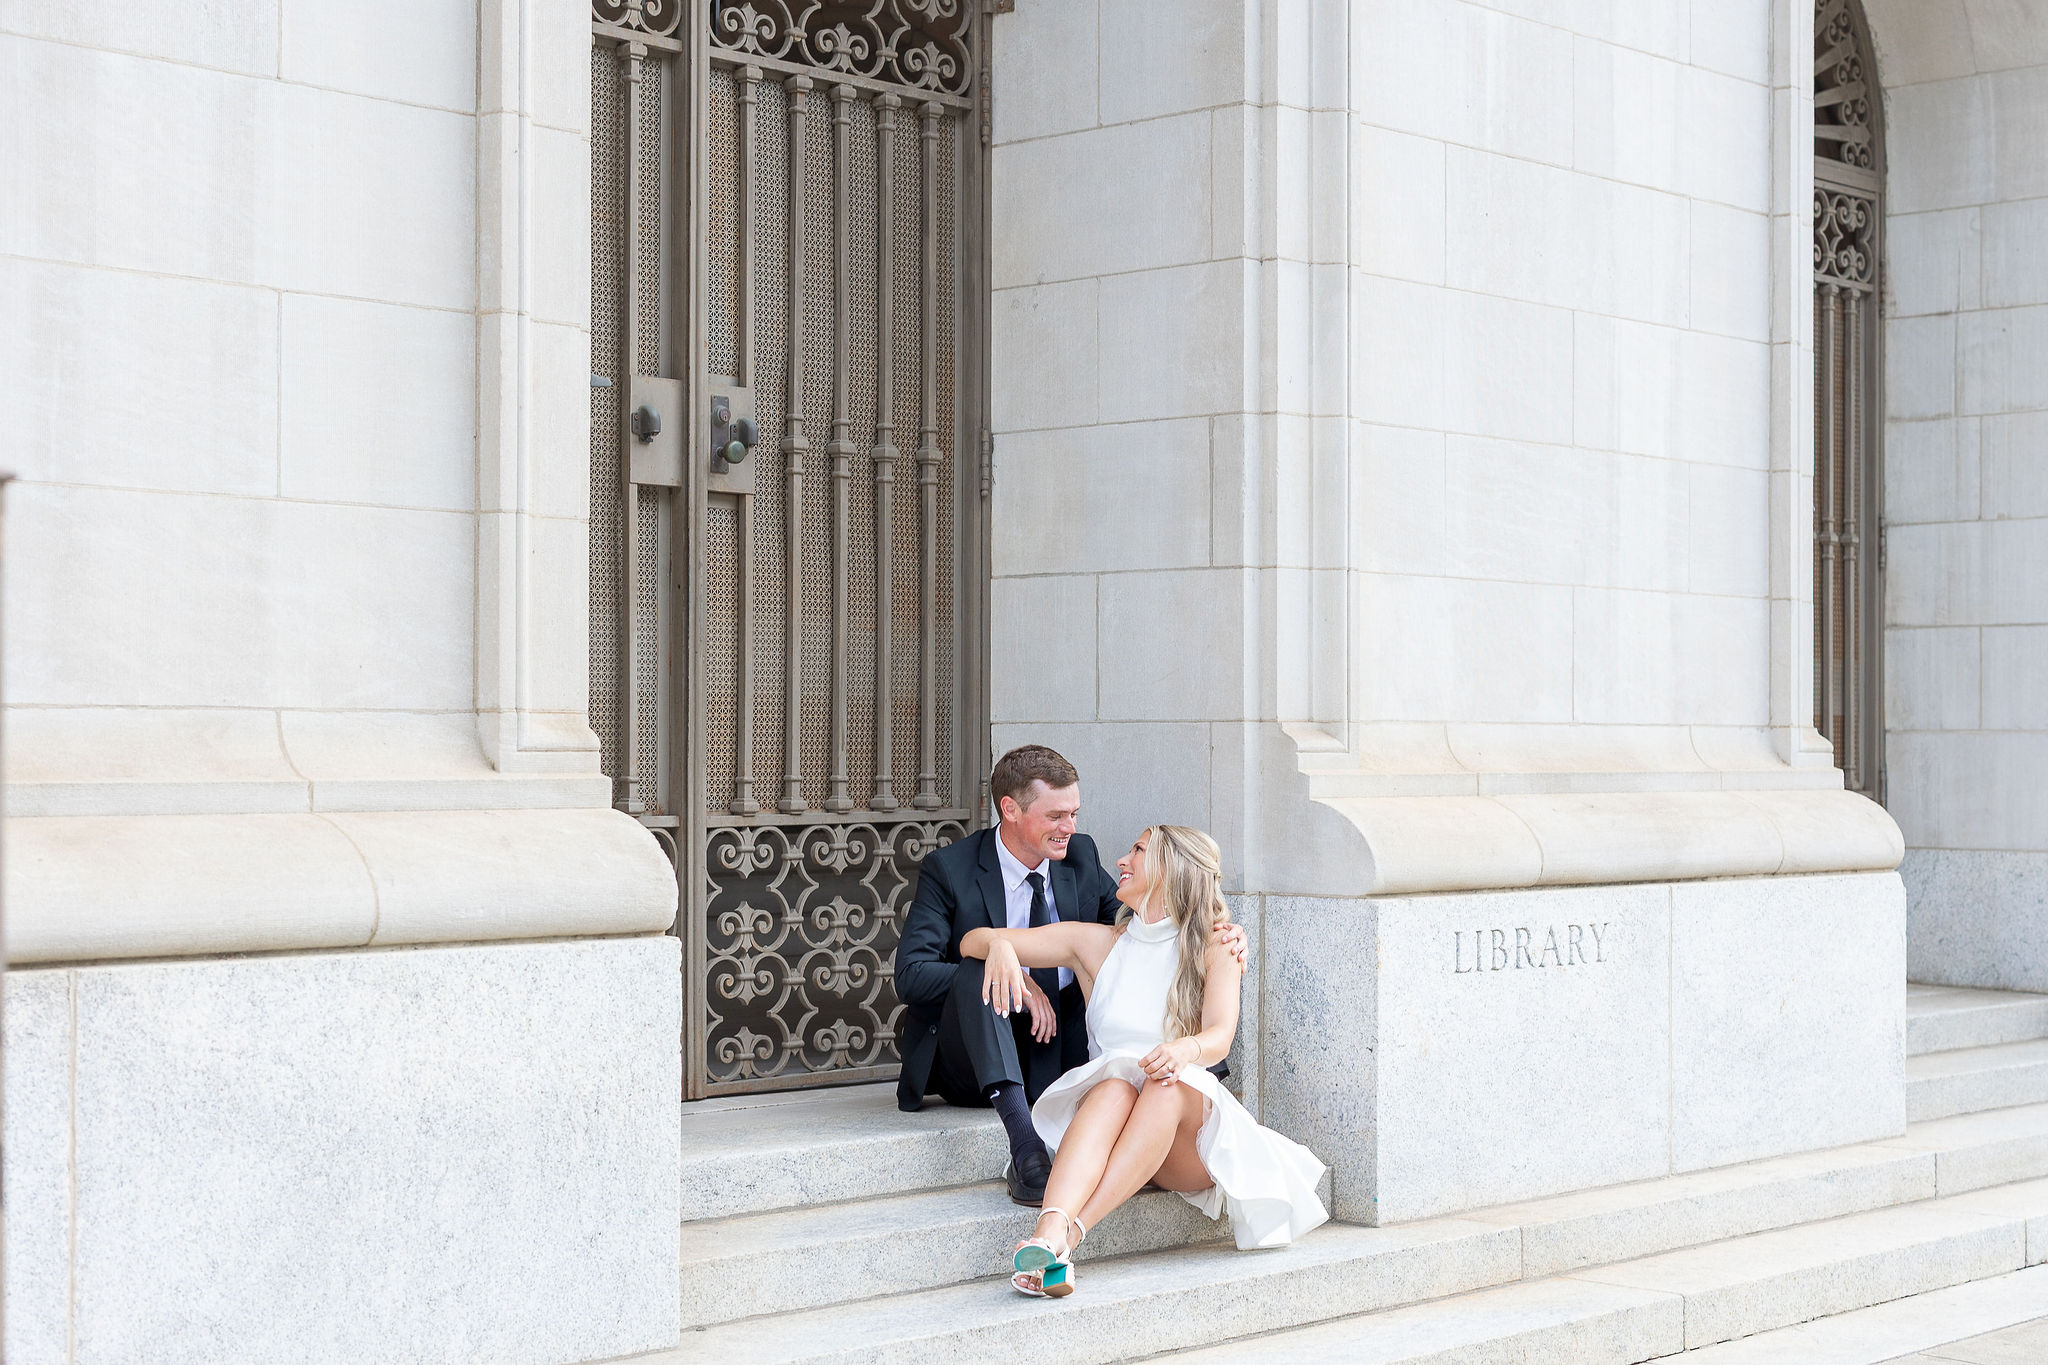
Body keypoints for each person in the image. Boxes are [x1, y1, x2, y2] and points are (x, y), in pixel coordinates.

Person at [961, 824, 1328, 1297]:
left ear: (1171, 868)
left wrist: (1183, 1049)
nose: (1121, 860)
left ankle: (1071, 1235)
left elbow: (1219, 1035)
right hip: (1117, 1124)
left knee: (1165, 1082)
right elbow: (972, 939)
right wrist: (1003, 948)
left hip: (1187, 1139)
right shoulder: (1094, 944)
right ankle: (1048, 1237)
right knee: (1113, 1083)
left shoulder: (1217, 945)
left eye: (1137, 850)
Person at [894, 745, 1245, 1206]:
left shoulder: (1079, 857)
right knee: (980, 968)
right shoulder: (951, 869)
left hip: (1061, 1050)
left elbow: (1137, 933)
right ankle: (1025, 1148)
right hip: (976, 1056)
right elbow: (913, 976)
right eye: (1057, 816)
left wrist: (1213, 927)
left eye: (1075, 813)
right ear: (1011, 810)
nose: (1071, 828)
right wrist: (1014, 978)